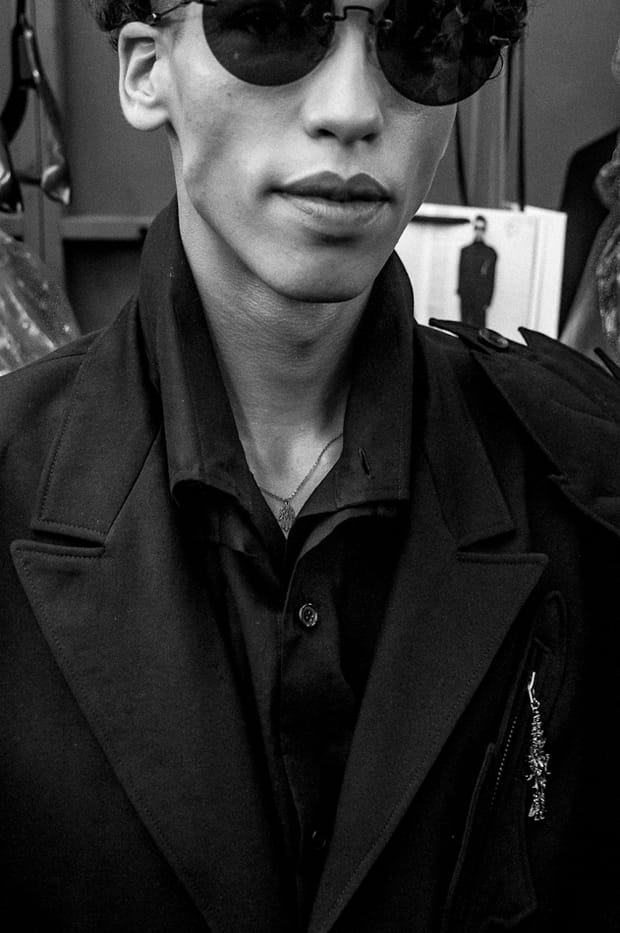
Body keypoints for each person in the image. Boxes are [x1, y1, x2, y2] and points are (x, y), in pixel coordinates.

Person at [1, 2, 620, 931]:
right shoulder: (11, 481)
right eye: (273, 23)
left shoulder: (581, 490)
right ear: (146, 69)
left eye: (423, 41)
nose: (350, 108)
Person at [456, 214, 498, 328]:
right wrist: (461, 292)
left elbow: (491, 277)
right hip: (466, 297)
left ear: (485, 230)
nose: (479, 232)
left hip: (480, 299)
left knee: (479, 329)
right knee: (464, 327)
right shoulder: (465, 251)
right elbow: (461, 274)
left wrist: (488, 300)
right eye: (477, 228)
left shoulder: (490, 253)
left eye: (482, 228)